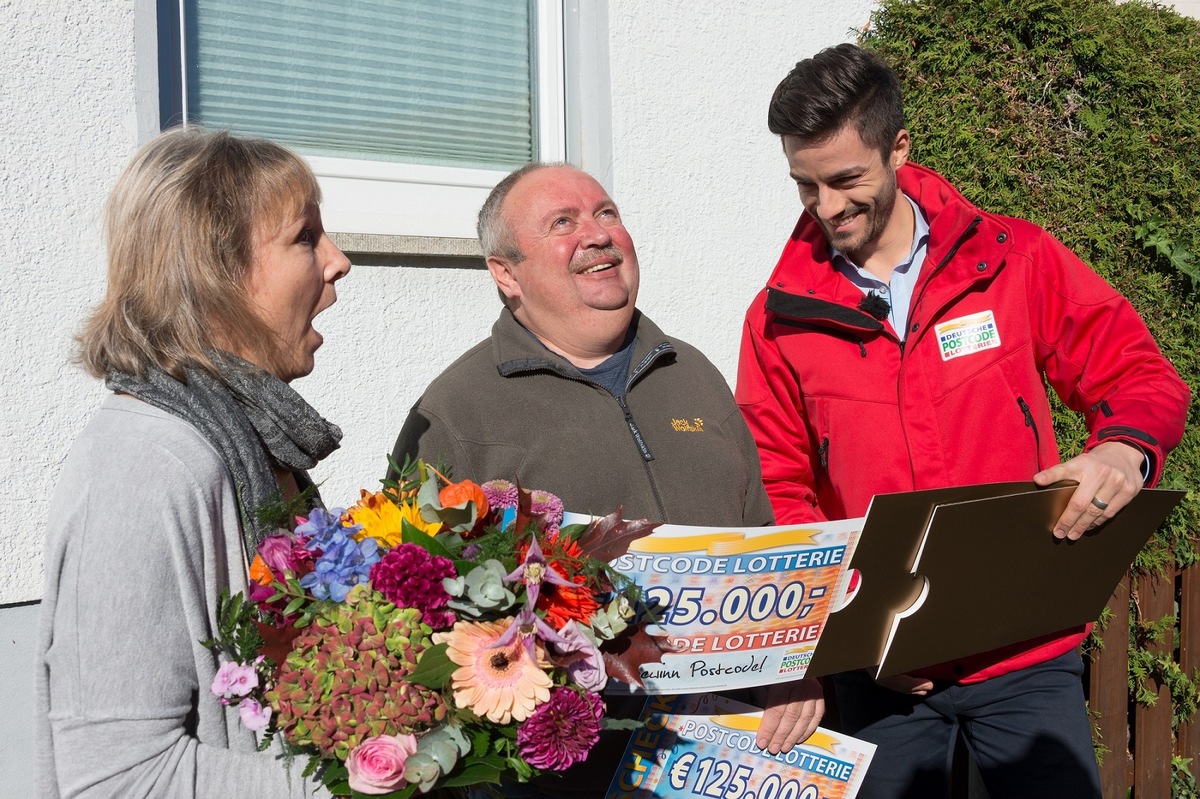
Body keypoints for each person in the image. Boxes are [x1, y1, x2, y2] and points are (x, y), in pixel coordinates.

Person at [735, 43, 1190, 799]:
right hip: (883, 677)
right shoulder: (778, 319)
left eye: (847, 179)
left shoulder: (1014, 260)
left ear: (899, 147)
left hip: (1027, 657)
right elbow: (777, 489)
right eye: (804, 185)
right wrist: (850, 634)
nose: (826, 207)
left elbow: (1138, 374)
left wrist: (1124, 451)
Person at [390, 162, 822, 797]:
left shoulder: (693, 372)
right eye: (562, 223)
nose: (596, 235)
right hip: (571, 770)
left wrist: (792, 668)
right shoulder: (457, 413)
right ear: (506, 274)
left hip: (736, 753)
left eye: (606, 214)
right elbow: (414, 609)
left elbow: (760, 537)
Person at [35, 126, 351, 798]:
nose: (338, 259)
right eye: (305, 236)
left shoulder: (256, 440)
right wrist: (358, 786)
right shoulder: (143, 464)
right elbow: (117, 779)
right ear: (215, 271)